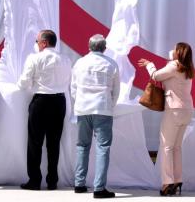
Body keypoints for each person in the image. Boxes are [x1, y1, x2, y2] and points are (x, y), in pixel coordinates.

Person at [15, 29, 71, 191]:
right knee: (54, 143)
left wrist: (23, 85)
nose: (36, 44)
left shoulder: (35, 58)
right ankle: (52, 181)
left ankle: (34, 180)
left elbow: (23, 83)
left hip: (41, 101)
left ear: (44, 43)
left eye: (37, 41)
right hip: (59, 101)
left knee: (35, 142)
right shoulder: (66, 59)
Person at [138, 42, 195, 196]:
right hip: (187, 110)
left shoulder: (174, 65)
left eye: (175, 49)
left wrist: (150, 65)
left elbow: (155, 76)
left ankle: (167, 182)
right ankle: (177, 179)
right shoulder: (188, 67)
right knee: (176, 147)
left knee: (166, 147)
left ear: (179, 52)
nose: (172, 51)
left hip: (174, 110)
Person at [71, 34, 120, 199]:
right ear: (104, 48)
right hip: (102, 108)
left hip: (83, 109)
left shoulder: (79, 63)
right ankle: (99, 188)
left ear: (89, 46)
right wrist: (110, 106)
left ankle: (79, 184)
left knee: (82, 146)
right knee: (103, 148)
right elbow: (116, 91)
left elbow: (73, 88)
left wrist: (79, 102)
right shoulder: (111, 64)